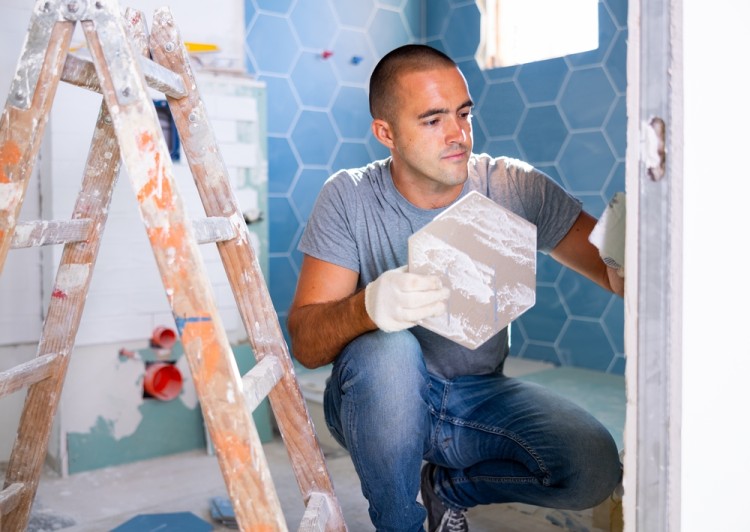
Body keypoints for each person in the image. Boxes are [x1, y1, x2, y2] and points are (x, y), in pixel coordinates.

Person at [287, 44, 624, 532]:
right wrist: (367, 308)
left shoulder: (512, 187)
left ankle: (447, 492)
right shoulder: (349, 197)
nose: (458, 135)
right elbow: (306, 344)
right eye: (432, 120)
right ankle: (400, 525)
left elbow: (610, 268)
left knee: (592, 466)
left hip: (478, 397)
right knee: (389, 351)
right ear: (387, 133)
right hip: (380, 400)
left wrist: (632, 253)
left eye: (464, 114)